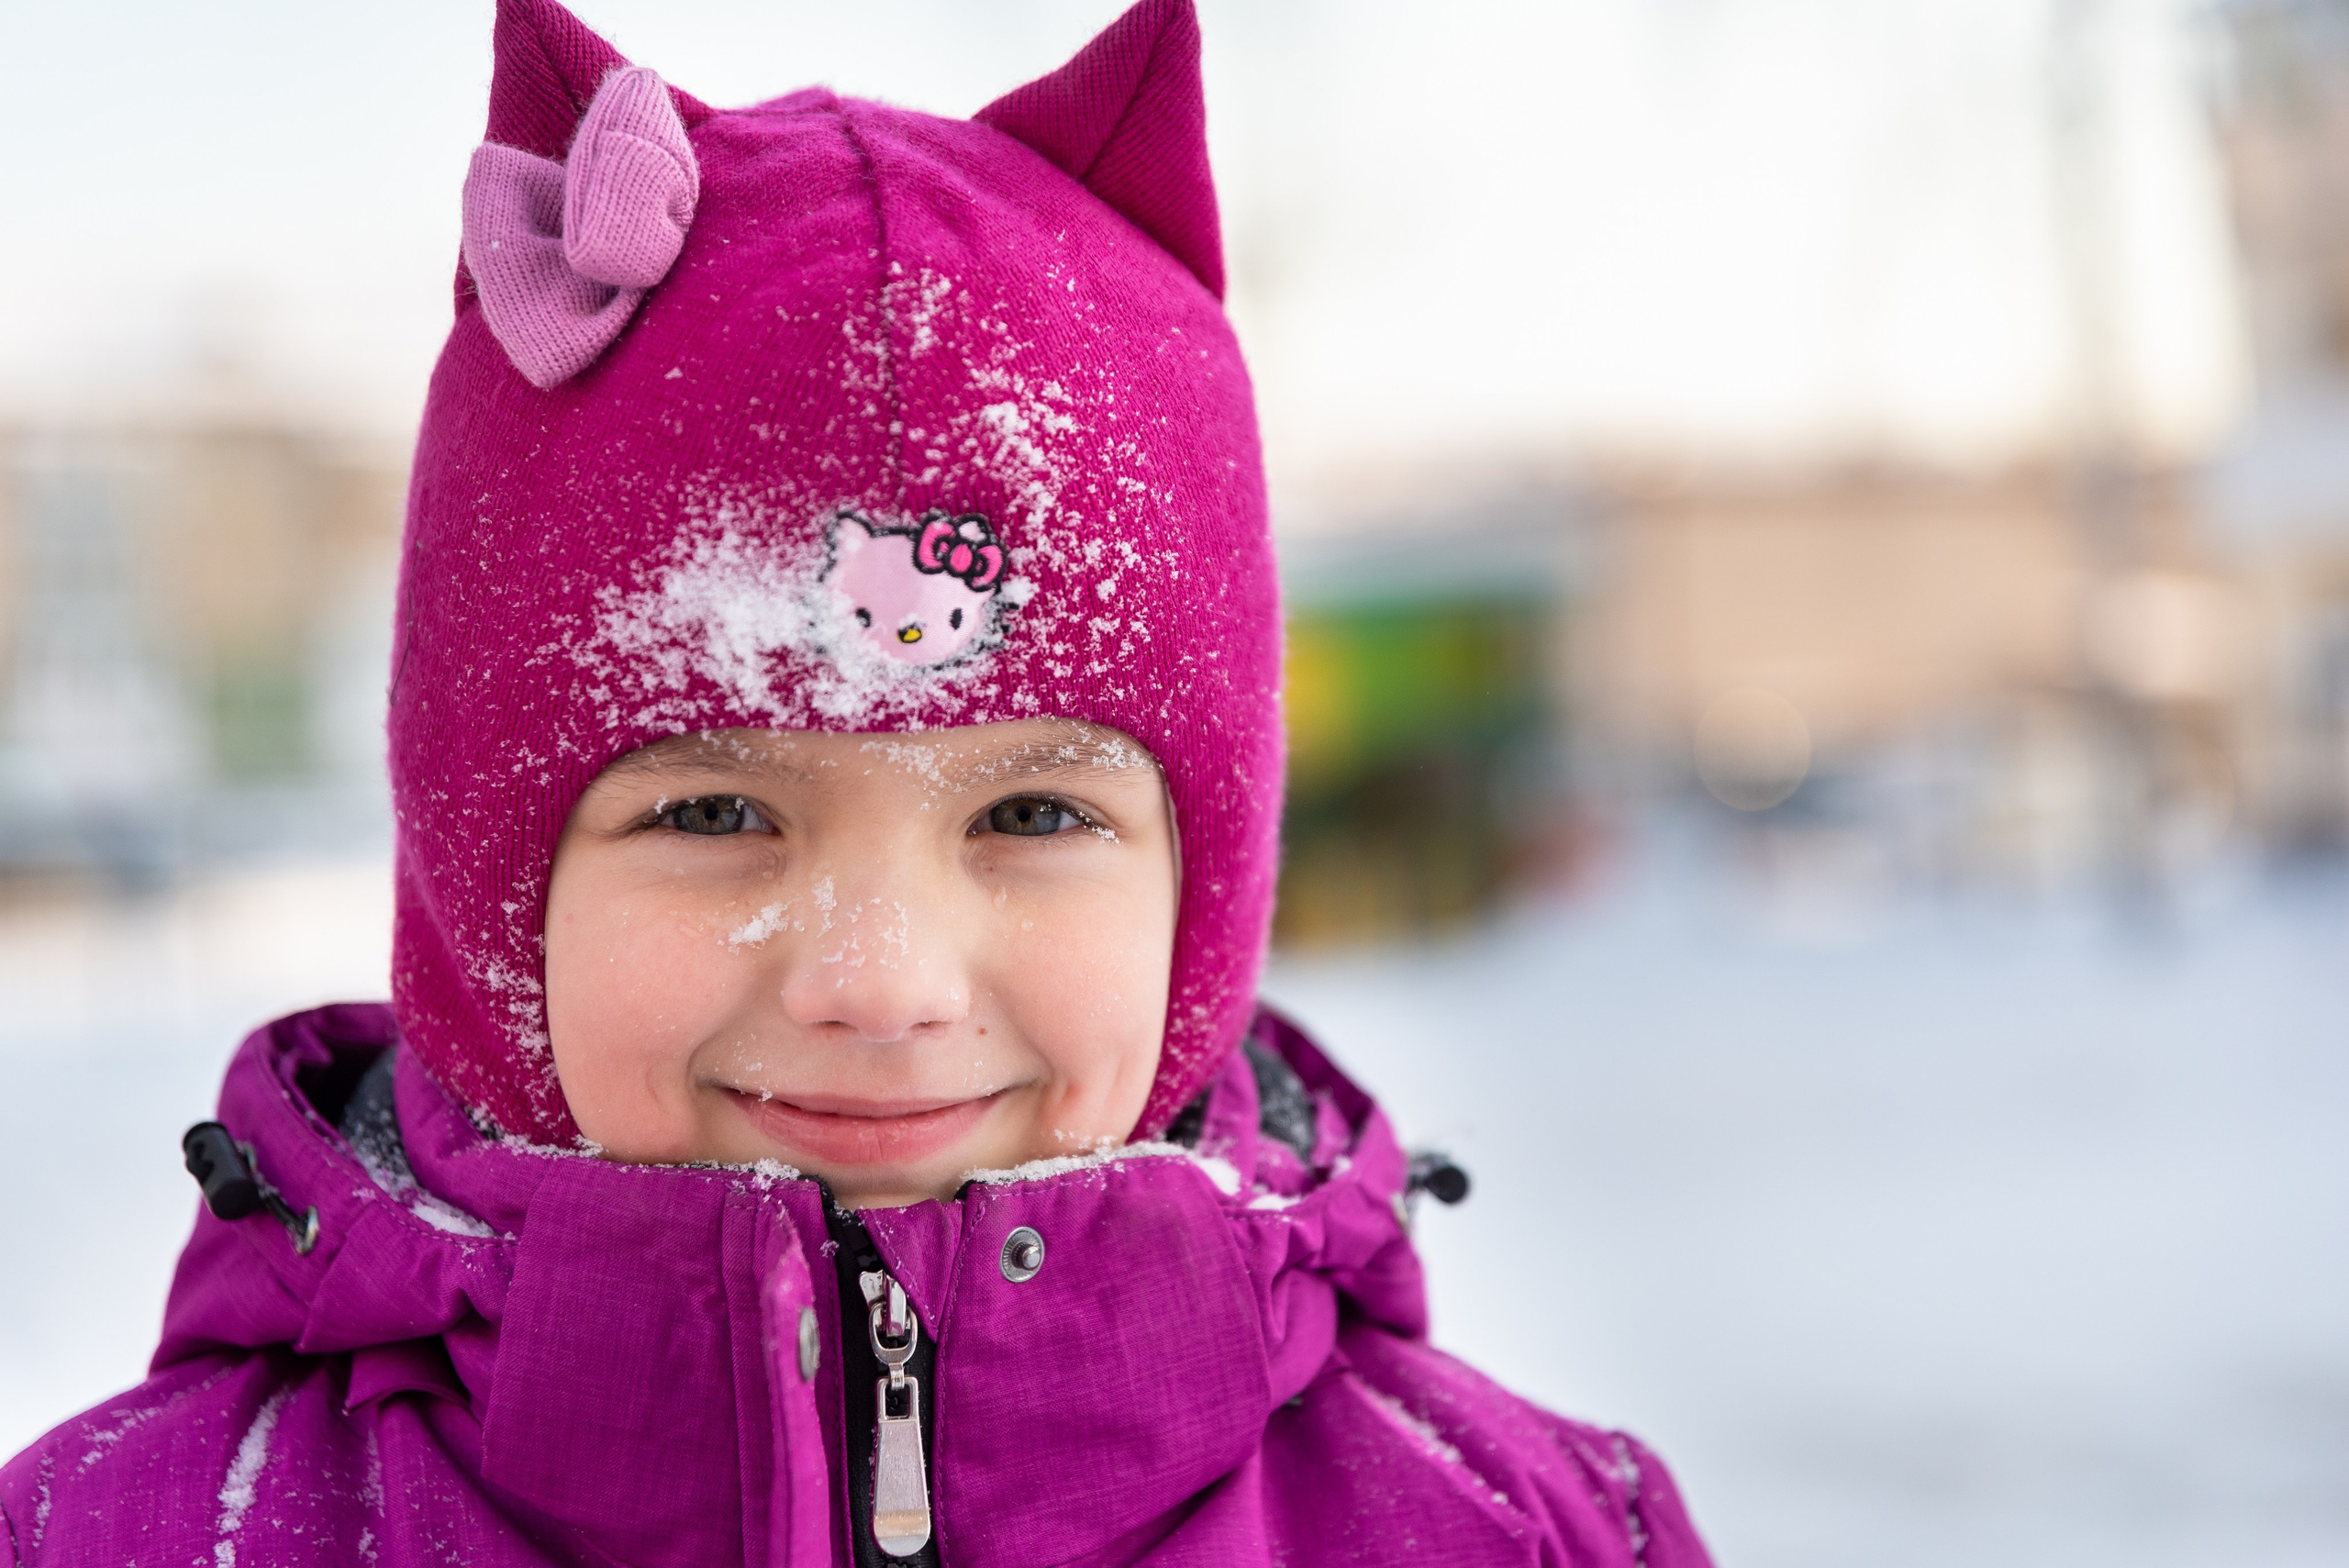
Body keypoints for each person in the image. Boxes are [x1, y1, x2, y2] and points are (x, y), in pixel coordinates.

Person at [0, 3, 1714, 1562]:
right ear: (485, 889)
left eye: (1034, 815)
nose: (880, 982)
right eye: (715, 812)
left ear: (1205, 889)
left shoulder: (1537, 1534)